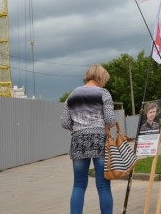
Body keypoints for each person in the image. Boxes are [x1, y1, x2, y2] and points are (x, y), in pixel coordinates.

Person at [61, 64, 117, 214]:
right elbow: (111, 120)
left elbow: (65, 122)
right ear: (101, 77)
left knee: (78, 185)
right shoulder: (103, 93)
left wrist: (79, 129)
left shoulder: (72, 95)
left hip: (78, 141)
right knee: (103, 186)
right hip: (99, 140)